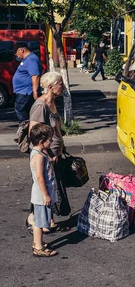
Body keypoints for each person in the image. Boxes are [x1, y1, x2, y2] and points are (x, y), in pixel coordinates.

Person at [26, 72, 70, 234]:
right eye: (60, 83)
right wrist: (49, 155)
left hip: (55, 153)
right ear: (50, 87)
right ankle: (33, 218)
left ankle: (49, 220)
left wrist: (61, 146)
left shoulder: (52, 103)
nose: (62, 86)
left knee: (52, 186)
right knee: (42, 186)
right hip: (46, 156)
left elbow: (56, 128)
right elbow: (35, 134)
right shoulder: (40, 106)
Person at [29, 123, 58, 257]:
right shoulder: (39, 156)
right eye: (50, 140)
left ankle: (37, 243)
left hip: (40, 194)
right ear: (42, 142)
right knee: (40, 222)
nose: (51, 142)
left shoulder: (38, 153)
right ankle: (38, 247)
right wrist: (46, 195)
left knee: (39, 220)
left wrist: (51, 161)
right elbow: (40, 177)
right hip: (41, 195)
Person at [12, 42, 42, 122]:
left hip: (25, 92)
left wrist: (35, 92)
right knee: (25, 112)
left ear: (21, 50)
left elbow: (35, 76)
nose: (16, 56)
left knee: (21, 111)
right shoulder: (27, 59)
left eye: (16, 53)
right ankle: (28, 130)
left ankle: (25, 130)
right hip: (23, 92)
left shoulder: (31, 59)